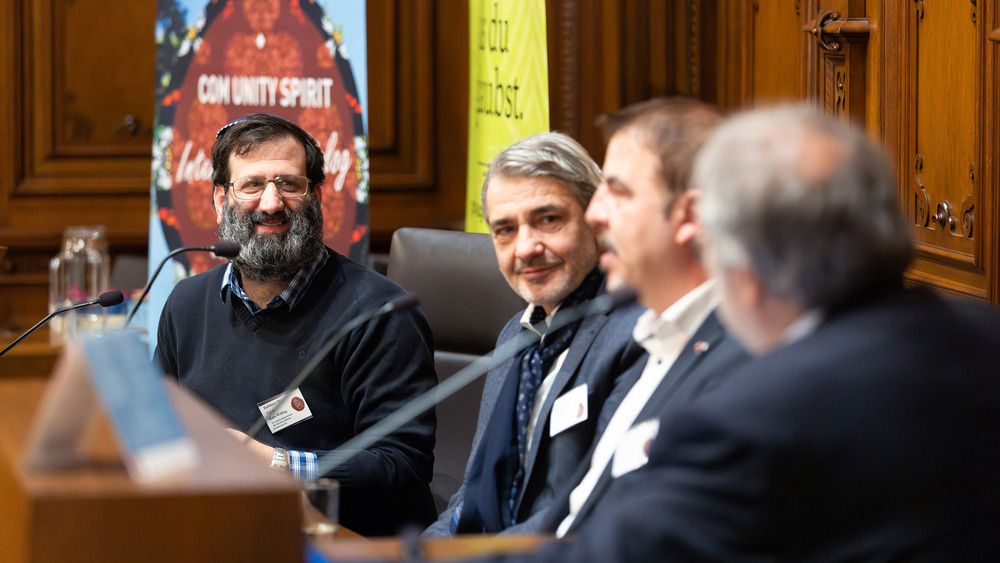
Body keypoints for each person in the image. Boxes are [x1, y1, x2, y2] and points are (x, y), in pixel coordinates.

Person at [498, 105, 1000, 561]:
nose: (596, 215)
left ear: (727, 241)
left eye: (620, 192)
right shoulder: (983, 335)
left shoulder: (754, 415)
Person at [154, 113, 438, 537]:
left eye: (289, 184)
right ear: (219, 199)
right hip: (215, 533)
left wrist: (274, 464)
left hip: (341, 545)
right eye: (252, 185)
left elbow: (402, 465)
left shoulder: (380, 313)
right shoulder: (186, 305)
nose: (271, 204)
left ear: (316, 195)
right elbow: (158, 432)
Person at [536, 97, 748, 537]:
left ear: (688, 215)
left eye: (618, 191)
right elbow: (572, 519)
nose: (595, 213)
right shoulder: (654, 337)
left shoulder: (741, 366)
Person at [424, 132, 647, 536]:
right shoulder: (516, 335)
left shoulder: (636, 331)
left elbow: (590, 508)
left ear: (596, 217)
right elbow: (470, 497)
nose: (525, 247)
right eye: (505, 229)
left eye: (548, 219)